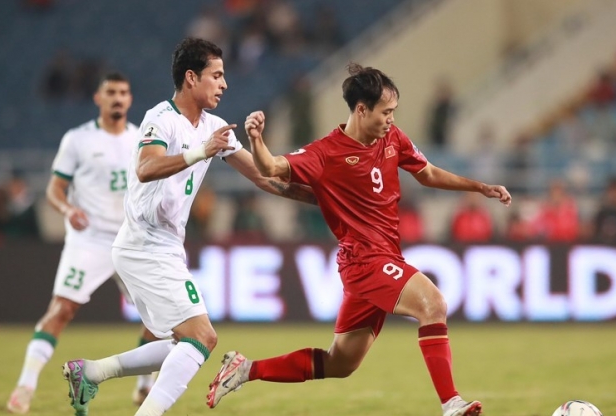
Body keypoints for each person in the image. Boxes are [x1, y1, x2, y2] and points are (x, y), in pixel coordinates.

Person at [207, 64, 511, 416]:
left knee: (340, 363)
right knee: (433, 304)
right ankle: (451, 402)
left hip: (382, 259)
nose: (391, 120)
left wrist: (479, 187)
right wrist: (257, 140)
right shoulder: (326, 153)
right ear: (362, 109)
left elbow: (427, 173)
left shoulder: (392, 139)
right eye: (386, 112)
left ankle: (244, 369)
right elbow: (271, 168)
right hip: (365, 261)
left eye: (393, 112)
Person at [60, 37, 316, 416]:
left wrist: (322, 200)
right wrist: (201, 151)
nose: (224, 84)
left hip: (163, 247)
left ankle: (93, 372)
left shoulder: (214, 127)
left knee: (185, 342)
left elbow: (263, 178)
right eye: (217, 75)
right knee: (202, 338)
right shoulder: (161, 118)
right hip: (144, 244)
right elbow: (146, 168)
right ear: (192, 78)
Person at [6, 72, 159, 414]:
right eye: (111, 92)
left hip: (129, 239)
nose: (117, 98)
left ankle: (144, 386)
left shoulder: (141, 139)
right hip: (89, 239)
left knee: (157, 316)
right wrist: (67, 209)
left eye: (123, 92)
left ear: (130, 99)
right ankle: (25, 386)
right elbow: (54, 189)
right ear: (98, 98)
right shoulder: (78, 140)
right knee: (62, 309)